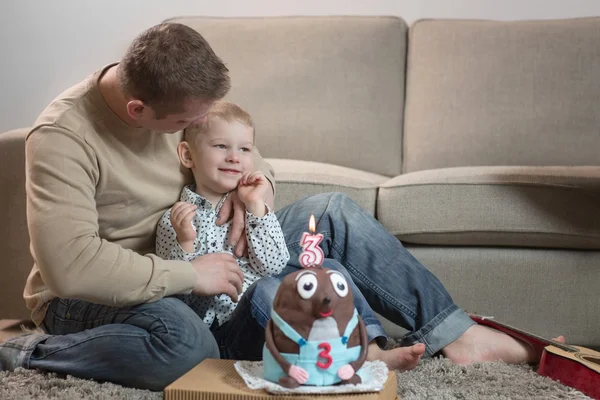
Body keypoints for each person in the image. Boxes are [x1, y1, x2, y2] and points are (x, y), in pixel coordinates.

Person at [0, 22, 546, 391]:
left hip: (208, 250)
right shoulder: (64, 137)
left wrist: (251, 196)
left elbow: (246, 154)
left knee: (332, 209)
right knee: (187, 345)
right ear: (138, 109)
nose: (190, 133)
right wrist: (189, 270)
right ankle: (30, 353)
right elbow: (69, 268)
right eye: (181, 128)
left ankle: (457, 334)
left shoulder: (178, 97)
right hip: (97, 292)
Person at [155, 100, 426, 370]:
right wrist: (186, 244)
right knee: (265, 289)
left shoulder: (250, 205)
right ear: (188, 156)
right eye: (221, 146)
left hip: (271, 317)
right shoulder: (177, 221)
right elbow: (181, 308)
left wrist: (257, 208)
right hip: (228, 333)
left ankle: (370, 350)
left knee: (327, 269)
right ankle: (327, 357)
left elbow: (273, 264)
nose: (234, 157)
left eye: (245, 149)